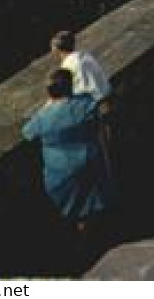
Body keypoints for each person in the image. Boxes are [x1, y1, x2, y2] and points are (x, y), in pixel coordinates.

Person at [22, 68, 112, 234]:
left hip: (59, 172)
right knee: (93, 198)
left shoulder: (43, 118)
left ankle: (83, 233)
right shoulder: (85, 104)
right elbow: (101, 112)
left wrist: (46, 107)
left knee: (73, 208)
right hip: (88, 162)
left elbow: (27, 133)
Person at [50, 30, 111, 107]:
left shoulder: (67, 66)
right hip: (106, 95)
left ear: (57, 50)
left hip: (93, 103)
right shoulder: (85, 56)